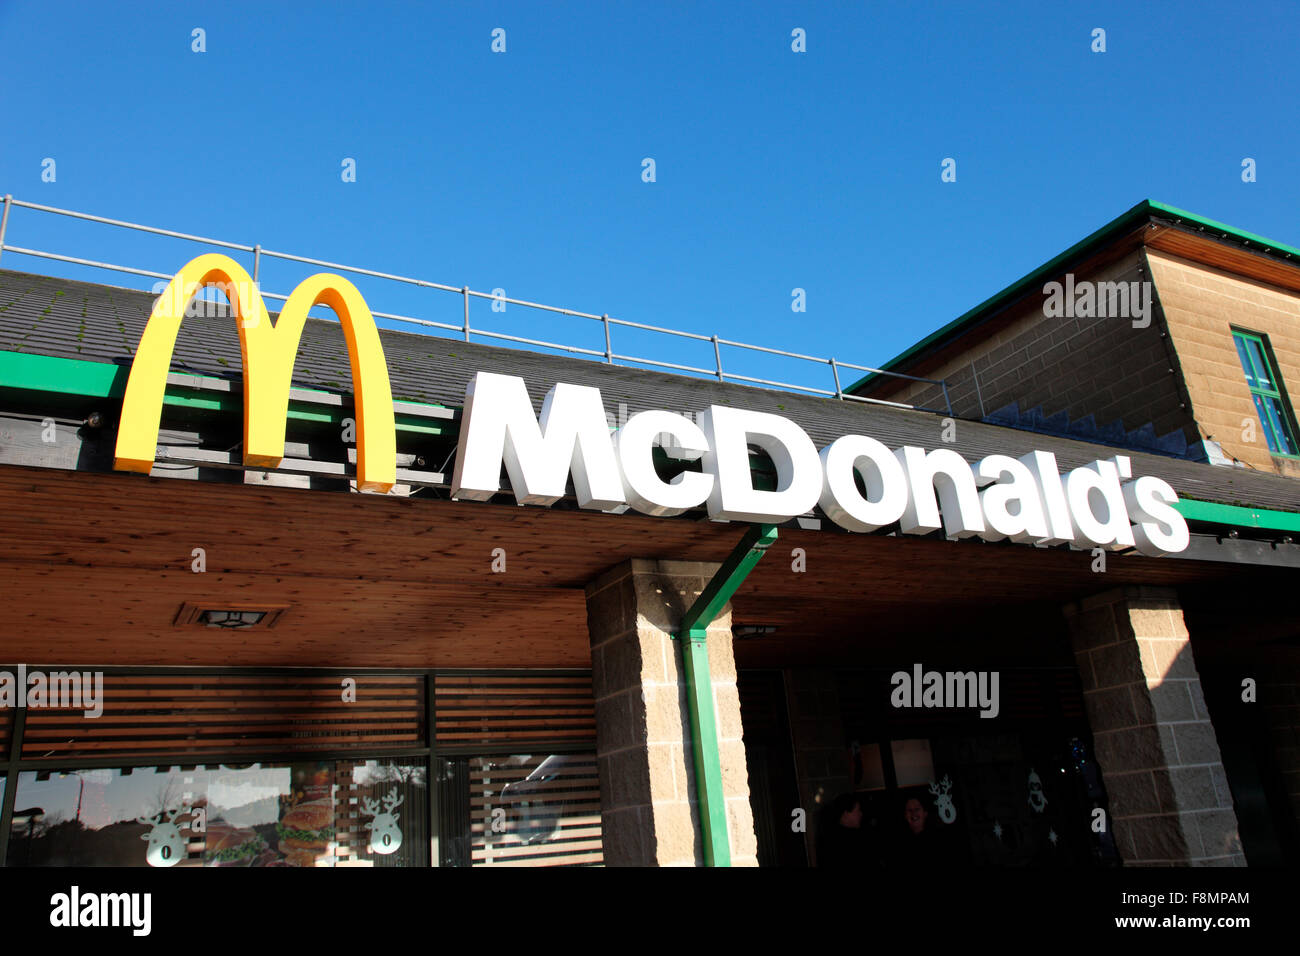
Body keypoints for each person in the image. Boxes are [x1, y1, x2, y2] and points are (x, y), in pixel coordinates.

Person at [815, 792, 872, 867]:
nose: (861, 814)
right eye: (858, 810)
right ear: (846, 814)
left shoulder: (831, 836)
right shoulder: (838, 841)